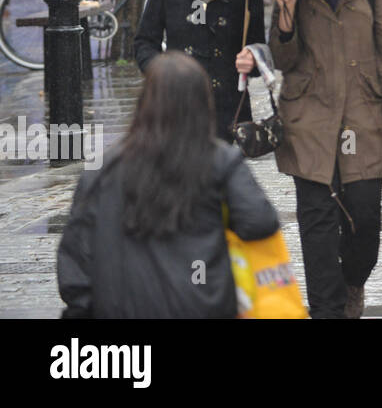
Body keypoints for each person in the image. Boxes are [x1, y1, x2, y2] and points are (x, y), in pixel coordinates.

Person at [58, 52, 281, 318]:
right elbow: (260, 221)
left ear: (145, 102)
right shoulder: (220, 161)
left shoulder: (103, 171)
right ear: (202, 103)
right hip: (202, 305)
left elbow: (75, 261)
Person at [269, 0, 382, 317]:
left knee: (363, 222)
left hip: (362, 120)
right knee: (316, 230)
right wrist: (284, 18)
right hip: (307, 123)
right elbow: (282, 60)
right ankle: (326, 310)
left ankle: (352, 282)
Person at [135, 0, 265, 141]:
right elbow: (144, 43)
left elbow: (258, 48)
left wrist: (252, 58)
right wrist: (162, 73)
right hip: (177, 107)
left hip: (227, 113)